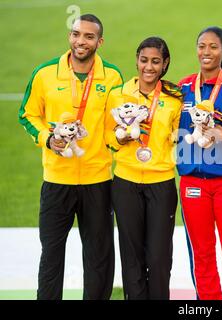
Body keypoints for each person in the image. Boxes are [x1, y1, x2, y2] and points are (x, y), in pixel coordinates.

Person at [18, 14, 123, 299]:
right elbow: (28, 115)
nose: (81, 41)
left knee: (99, 256)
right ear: (70, 36)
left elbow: (116, 125)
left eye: (89, 37)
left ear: (99, 42)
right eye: (76, 34)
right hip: (56, 180)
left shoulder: (112, 76)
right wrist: (47, 139)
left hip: (97, 181)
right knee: (52, 253)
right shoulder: (44, 73)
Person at [177, 26, 222, 300]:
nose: (206, 52)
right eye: (201, 46)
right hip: (193, 182)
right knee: (201, 250)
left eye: (213, 46)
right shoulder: (182, 88)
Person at [105, 37, 183, 300]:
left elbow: (179, 136)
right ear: (137, 60)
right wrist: (119, 137)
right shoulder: (118, 94)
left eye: (155, 62)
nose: (148, 67)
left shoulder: (174, 98)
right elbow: (106, 136)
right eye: (144, 60)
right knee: (131, 255)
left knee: (159, 257)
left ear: (165, 64)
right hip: (125, 182)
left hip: (161, 183)